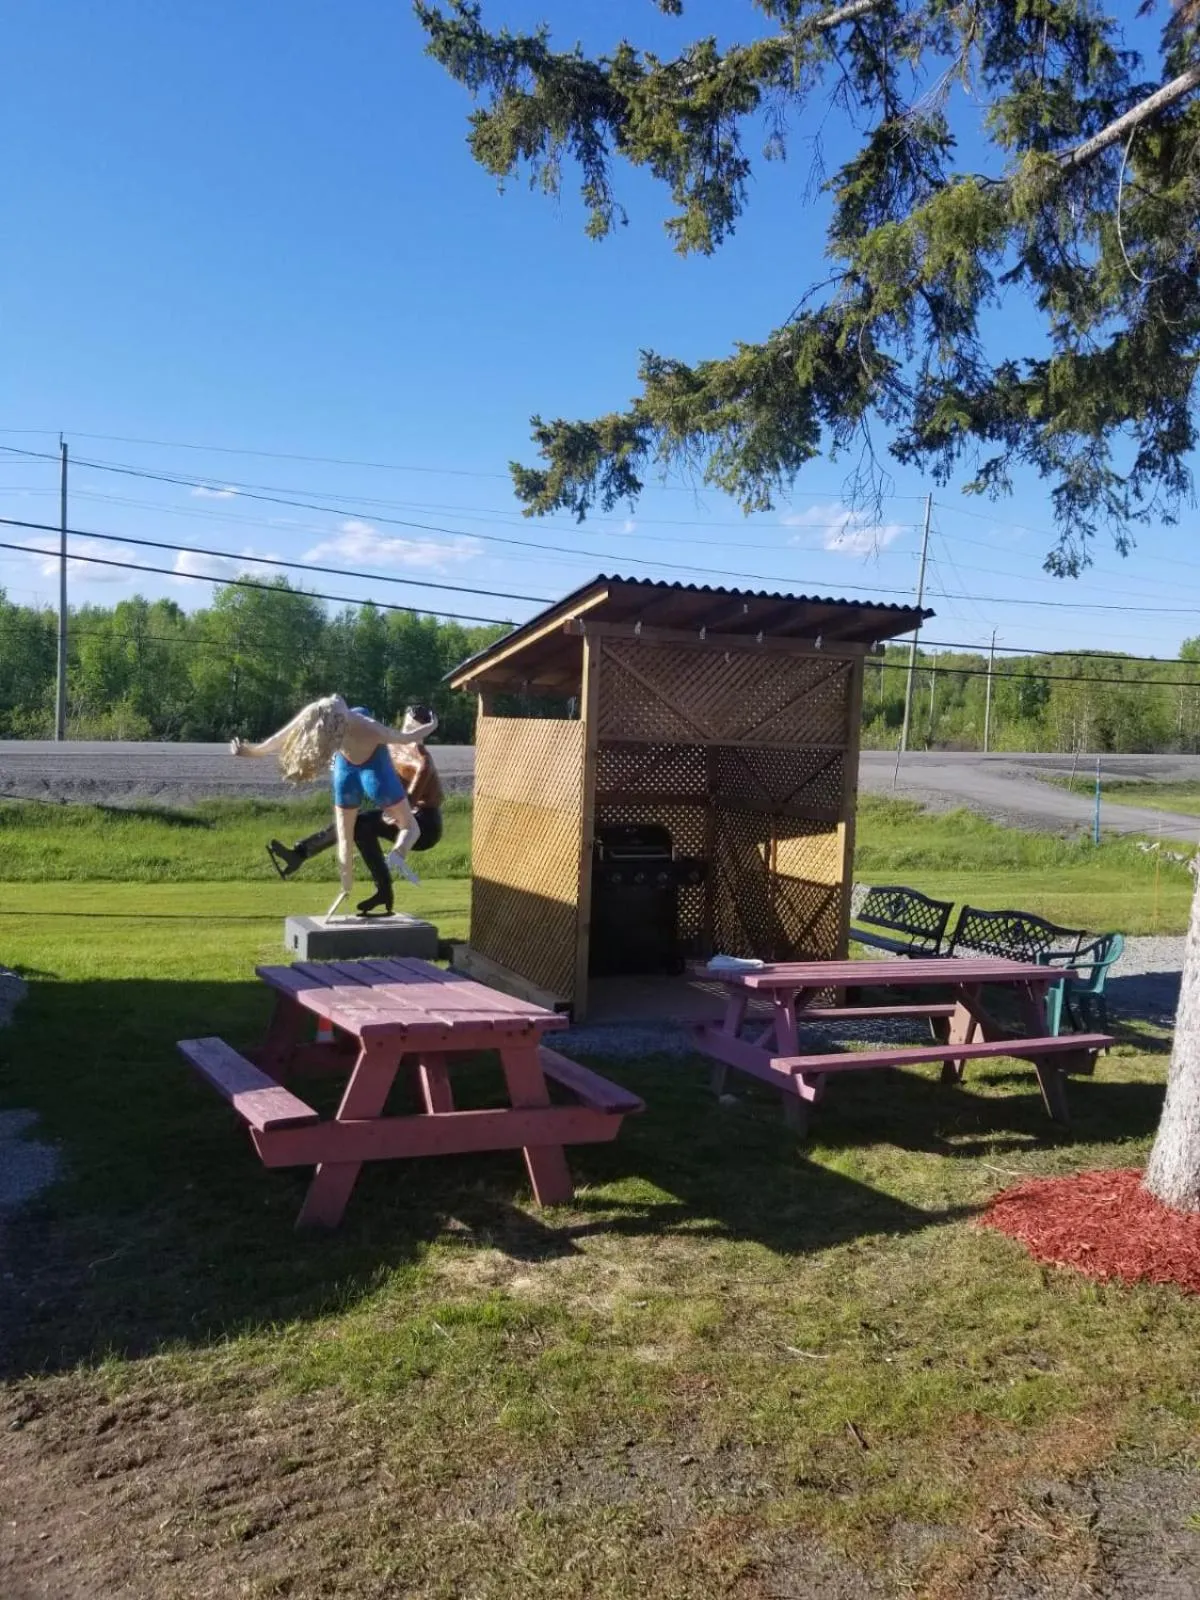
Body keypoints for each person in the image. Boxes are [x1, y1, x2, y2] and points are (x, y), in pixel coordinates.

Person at [230, 695, 436, 918]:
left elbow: (278, 739)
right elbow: (405, 737)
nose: (334, 695)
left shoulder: (317, 714)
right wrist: (433, 725)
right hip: (374, 773)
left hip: (346, 772)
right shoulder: (366, 724)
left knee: (345, 836)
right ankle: (398, 853)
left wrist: (249, 752)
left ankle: (345, 887)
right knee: (409, 826)